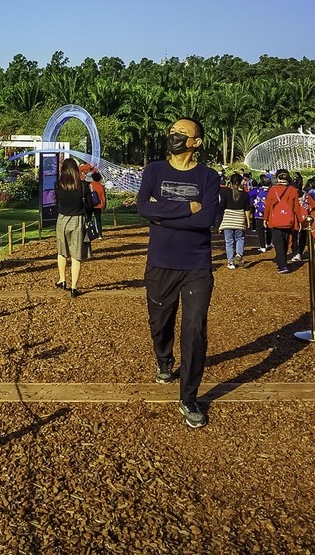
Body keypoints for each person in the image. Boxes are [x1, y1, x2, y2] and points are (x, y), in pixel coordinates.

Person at [137, 117, 221, 429]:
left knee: (195, 329)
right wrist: (189, 208)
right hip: (160, 262)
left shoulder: (208, 176)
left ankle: (189, 397)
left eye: (182, 133)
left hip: (197, 265)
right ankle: (164, 359)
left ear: (196, 142)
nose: (174, 135)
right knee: (160, 324)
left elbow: (207, 220)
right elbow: (144, 208)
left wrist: (165, 213)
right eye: (172, 131)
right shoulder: (155, 170)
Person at [54, 158, 92, 297]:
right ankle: (74, 287)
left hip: (62, 219)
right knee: (76, 254)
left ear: (63, 170)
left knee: (62, 251)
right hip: (78, 219)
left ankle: (62, 279)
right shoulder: (83, 186)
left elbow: (57, 201)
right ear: (76, 169)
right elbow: (89, 205)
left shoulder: (57, 184)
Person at [264, 170, 305, 274]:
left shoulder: (273, 190)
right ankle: (282, 262)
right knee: (286, 242)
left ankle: (282, 265)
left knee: (278, 243)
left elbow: (268, 206)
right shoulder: (293, 190)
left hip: (275, 220)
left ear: (278, 179)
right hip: (288, 220)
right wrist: (299, 221)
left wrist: (265, 219)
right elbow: (296, 207)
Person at [218, 173, 250, 269]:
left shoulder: (225, 192)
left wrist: (220, 223)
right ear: (241, 182)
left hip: (228, 219)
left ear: (230, 183)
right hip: (239, 219)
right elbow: (247, 210)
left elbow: (221, 207)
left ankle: (230, 262)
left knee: (229, 241)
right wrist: (248, 221)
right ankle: (239, 255)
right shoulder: (245, 195)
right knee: (240, 239)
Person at [248, 175, 270, 251]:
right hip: (269, 213)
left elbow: (249, 194)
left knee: (260, 231)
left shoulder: (257, 190)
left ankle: (262, 246)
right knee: (269, 229)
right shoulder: (272, 191)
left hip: (259, 213)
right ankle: (269, 243)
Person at [87, 170, 107, 239]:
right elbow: (103, 197)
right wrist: (104, 206)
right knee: (98, 219)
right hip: (98, 205)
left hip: (90, 204)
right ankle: (100, 235)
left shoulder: (90, 185)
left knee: (88, 219)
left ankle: (88, 233)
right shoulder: (101, 187)